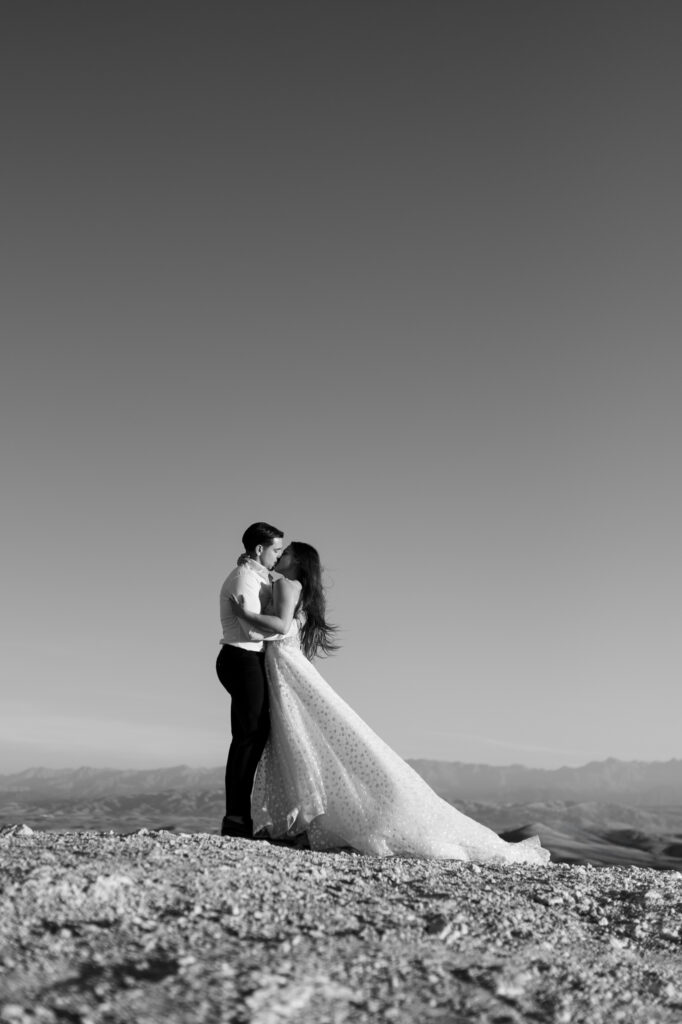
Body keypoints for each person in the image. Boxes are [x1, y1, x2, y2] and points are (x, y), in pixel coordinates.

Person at [230, 541, 550, 865]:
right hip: (284, 667)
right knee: (307, 742)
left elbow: (281, 626)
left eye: (283, 554)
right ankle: (308, 820)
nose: (278, 557)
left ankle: (308, 820)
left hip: (286, 668)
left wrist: (243, 612)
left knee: (307, 741)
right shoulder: (293, 585)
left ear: (296, 560)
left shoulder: (286, 583)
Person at [216, 521, 284, 838]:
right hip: (241, 657)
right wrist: (286, 627)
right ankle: (236, 820)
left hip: (248, 659)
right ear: (259, 549)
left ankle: (241, 818)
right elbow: (252, 631)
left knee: (253, 736)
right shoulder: (244, 578)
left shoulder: (257, 577)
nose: (279, 557)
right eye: (276, 550)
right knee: (247, 736)